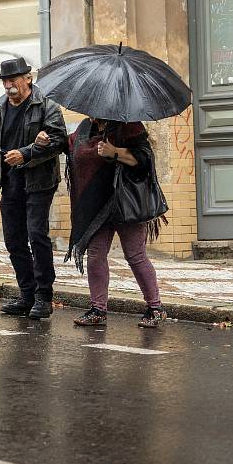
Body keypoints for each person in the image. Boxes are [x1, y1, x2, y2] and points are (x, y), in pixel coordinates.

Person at [0, 57, 68, 320]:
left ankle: (44, 297)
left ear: (28, 78)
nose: (8, 84)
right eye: (5, 80)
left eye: (13, 79)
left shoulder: (46, 105)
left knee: (37, 235)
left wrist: (27, 153)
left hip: (39, 183)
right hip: (10, 183)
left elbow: (59, 141)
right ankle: (27, 294)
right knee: (14, 240)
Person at [56, 118, 167, 328]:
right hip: (96, 206)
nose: (90, 113)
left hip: (124, 202)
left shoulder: (129, 125)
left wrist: (114, 151)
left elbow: (144, 159)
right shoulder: (85, 128)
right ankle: (98, 309)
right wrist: (49, 142)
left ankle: (155, 308)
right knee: (96, 255)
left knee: (135, 255)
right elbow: (70, 145)